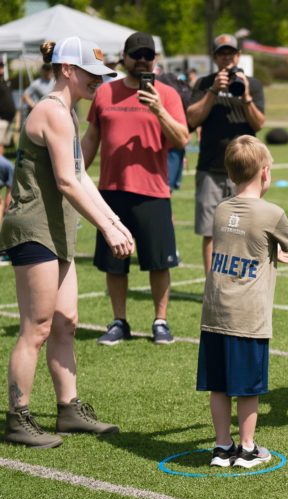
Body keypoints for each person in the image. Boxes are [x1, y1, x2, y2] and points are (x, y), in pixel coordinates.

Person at [0, 37, 133, 448]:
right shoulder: (52, 112)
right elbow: (65, 181)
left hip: (56, 230)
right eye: (92, 74)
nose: (99, 81)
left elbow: (81, 175)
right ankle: (18, 418)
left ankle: (68, 410)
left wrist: (113, 219)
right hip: (34, 230)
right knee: (36, 328)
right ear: (68, 70)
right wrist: (108, 230)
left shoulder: (68, 114)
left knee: (66, 322)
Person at [198, 135, 288, 467]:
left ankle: (221, 447)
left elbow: (241, 240)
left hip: (215, 313)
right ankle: (247, 449)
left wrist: (270, 250)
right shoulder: (272, 213)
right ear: (265, 173)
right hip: (247, 316)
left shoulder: (221, 210)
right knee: (248, 387)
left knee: (218, 386)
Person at [82, 32, 189, 346]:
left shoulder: (167, 95)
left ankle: (160, 321)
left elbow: (182, 139)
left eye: (148, 55)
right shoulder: (105, 94)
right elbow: (91, 138)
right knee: (115, 262)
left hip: (153, 191)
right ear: (124, 58)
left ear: (154, 60)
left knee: (159, 261)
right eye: (136, 55)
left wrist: (158, 109)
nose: (142, 60)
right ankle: (119, 321)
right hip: (111, 192)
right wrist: (74, 173)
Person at [187, 34, 266, 273]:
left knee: (246, 229)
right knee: (211, 232)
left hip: (246, 170)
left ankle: (240, 280)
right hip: (211, 168)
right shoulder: (203, 83)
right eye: (222, 53)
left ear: (238, 56)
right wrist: (213, 91)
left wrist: (246, 97)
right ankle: (213, 285)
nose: (227, 58)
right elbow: (192, 119)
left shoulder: (252, 84)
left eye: (231, 53)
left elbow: (259, 124)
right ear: (214, 57)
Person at [0, 60, 16, 148]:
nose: (1, 69)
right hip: (1, 119)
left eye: (2, 66)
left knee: (3, 144)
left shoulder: (5, 82)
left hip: (9, 119)